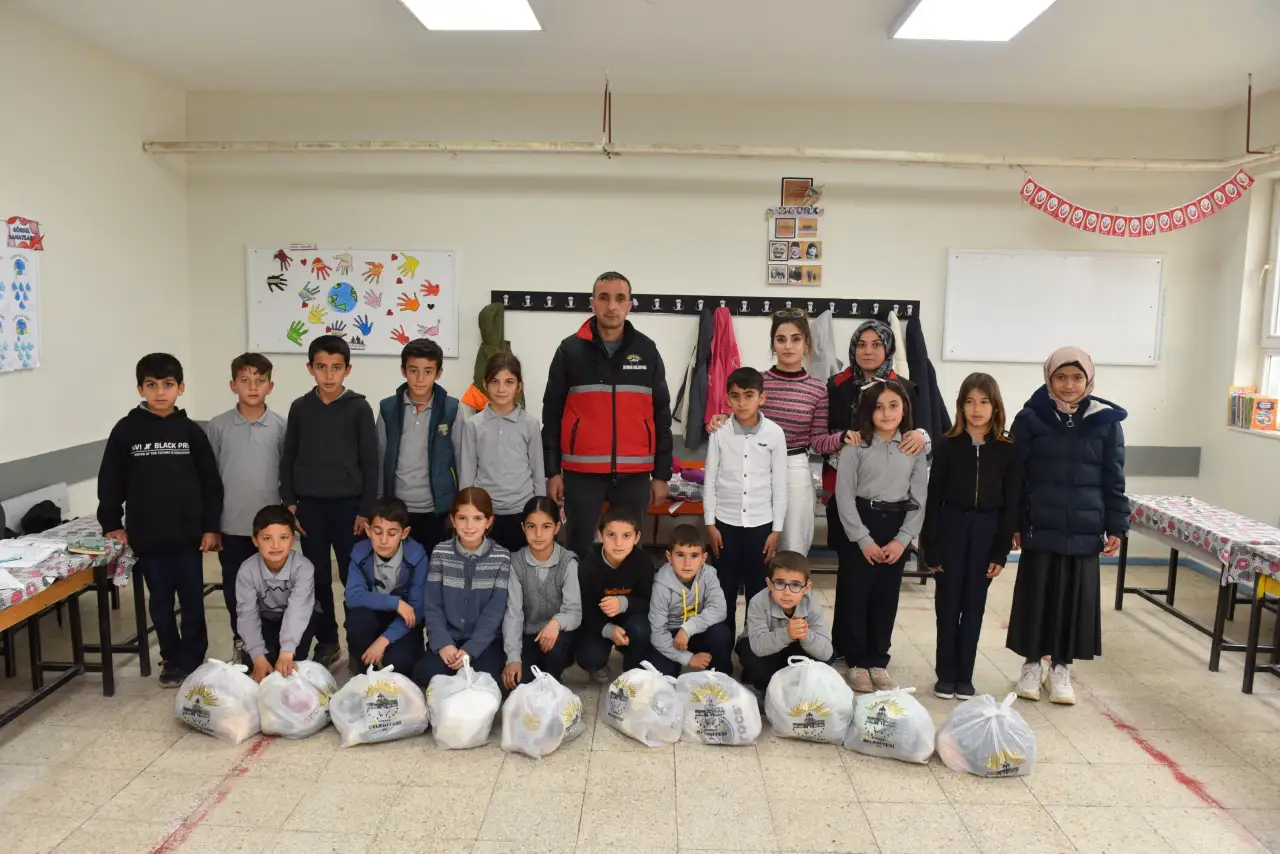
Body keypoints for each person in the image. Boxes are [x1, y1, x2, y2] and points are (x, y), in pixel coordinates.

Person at [1006, 347, 1127, 705]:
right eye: (1060, 377)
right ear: (1049, 378)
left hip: (1084, 529)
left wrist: (1116, 526)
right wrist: (1014, 522)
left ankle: (1061, 668)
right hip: (1040, 527)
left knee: (1073, 602)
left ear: (1088, 380)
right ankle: (1031, 666)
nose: (1069, 385)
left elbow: (1114, 479)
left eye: (1076, 377)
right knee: (1036, 598)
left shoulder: (1105, 422)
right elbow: (1016, 477)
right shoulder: (1030, 418)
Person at [97, 353, 223, 687]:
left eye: (167, 385)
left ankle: (193, 658)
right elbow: (110, 481)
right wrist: (112, 523)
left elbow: (210, 483)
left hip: (188, 536)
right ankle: (171, 657)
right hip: (148, 537)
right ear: (140, 388)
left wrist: (211, 527)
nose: (160, 392)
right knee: (161, 603)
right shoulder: (126, 431)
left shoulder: (191, 431)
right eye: (151, 385)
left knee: (193, 600)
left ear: (181, 388)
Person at [543, 272, 673, 560]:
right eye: (604, 297)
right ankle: (579, 593)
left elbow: (662, 416)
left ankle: (627, 593)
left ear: (629, 305)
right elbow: (551, 414)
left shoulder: (647, 350)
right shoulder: (569, 350)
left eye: (619, 298)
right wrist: (552, 472)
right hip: (581, 474)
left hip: (634, 475)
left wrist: (661, 475)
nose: (612, 306)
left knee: (627, 552)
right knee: (578, 549)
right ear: (592, 303)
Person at [825, 320, 928, 662]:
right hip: (851, 501)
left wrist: (923, 437)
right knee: (852, 583)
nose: (868, 351)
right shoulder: (837, 385)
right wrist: (843, 440)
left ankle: (876, 653)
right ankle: (848, 651)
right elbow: (822, 436)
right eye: (861, 344)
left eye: (876, 344)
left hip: (895, 511)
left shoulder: (905, 389)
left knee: (884, 591)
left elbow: (922, 434)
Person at [708, 310, 849, 555]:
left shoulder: (817, 389)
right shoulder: (758, 382)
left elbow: (817, 442)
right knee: (757, 547)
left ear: (806, 343)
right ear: (773, 343)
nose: (788, 346)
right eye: (781, 339)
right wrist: (723, 419)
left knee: (792, 547)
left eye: (796, 339)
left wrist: (842, 438)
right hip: (755, 467)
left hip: (794, 469)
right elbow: (741, 416)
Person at [281, 334, 379, 666]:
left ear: (347, 370)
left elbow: (371, 463)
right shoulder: (300, 408)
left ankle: (358, 643)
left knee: (355, 578)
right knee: (317, 577)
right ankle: (327, 641)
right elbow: (288, 457)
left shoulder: (359, 408)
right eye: (321, 367)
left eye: (336, 368)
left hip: (350, 510)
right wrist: (290, 502)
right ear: (310, 368)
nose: (328, 375)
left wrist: (366, 510)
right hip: (310, 508)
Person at [922, 374, 1021, 701]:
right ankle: (946, 674)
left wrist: (1000, 551)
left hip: (987, 530)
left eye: (984, 402)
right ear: (960, 406)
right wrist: (931, 548)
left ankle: (965, 675)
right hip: (951, 527)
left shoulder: (1008, 449)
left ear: (996, 407)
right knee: (947, 605)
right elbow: (933, 499)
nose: (976, 409)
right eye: (969, 401)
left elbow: (1011, 505)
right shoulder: (947, 445)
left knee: (974, 606)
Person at [834, 379, 929, 693]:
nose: (887, 413)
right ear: (867, 411)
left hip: (896, 527)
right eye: (878, 407)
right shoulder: (855, 447)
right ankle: (856, 661)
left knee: (886, 597)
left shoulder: (913, 447)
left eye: (893, 406)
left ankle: (878, 660)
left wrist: (903, 539)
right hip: (861, 523)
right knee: (856, 595)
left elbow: (919, 498)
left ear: (905, 409)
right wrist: (863, 539)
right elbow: (844, 496)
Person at [205, 353, 287, 662]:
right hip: (232, 526)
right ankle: (242, 642)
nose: (252, 387)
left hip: (272, 530)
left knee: (274, 588)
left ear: (270, 386)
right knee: (236, 590)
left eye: (260, 380)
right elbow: (209, 479)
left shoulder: (281, 426)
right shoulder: (218, 426)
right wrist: (211, 526)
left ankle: (272, 644)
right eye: (245, 380)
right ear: (233, 385)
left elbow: (287, 475)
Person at [703, 367, 788, 633]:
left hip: (761, 526)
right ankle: (722, 644)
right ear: (728, 399)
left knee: (758, 590)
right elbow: (710, 480)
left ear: (762, 398)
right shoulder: (719, 432)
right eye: (735, 396)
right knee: (723, 589)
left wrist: (776, 530)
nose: (742, 402)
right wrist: (710, 524)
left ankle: (753, 643)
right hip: (724, 525)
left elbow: (779, 484)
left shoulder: (774, 433)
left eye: (749, 395)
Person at [414, 487, 511, 687]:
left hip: (484, 642)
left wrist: (471, 649)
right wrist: (443, 644)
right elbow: (433, 605)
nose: (469, 526)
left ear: (489, 521)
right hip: (448, 638)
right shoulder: (440, 553)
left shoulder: (501, 557)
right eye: (462, 518)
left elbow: (494, 612)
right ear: (452, 519)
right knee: (425, 675)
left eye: (477, 518)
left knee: (487, 681)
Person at [377, 338, 460, 557]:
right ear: (403, 371)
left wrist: (459, 508)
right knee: (401, 567)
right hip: (398, 509)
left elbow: (462, 459)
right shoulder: (388, 408)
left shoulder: (451, 409)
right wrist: (379, 505)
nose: (420, 378)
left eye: (428, 371)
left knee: (435, 567)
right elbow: (380, 459)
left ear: (438, 373)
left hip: (437, 510)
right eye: (413, 370)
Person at [459, 353, 545, 554]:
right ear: (485, 384)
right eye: (494, 382)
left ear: (519, 386)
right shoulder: (473, 425)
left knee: (519, 566)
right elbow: (467, 473)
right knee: (486, 566)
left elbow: (538, 471)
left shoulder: (530, 424)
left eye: (509, 382)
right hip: (484, 513)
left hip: (522, 510)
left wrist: (539, 510)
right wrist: (466, 513)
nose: (501, 389)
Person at [502, 497, 581, 688]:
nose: (538, 534)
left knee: (555, 655)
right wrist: (513, 657)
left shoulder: (568, 562)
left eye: (546, 526)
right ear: (523, 528)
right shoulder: (515, 563)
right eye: (532, 526)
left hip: (558, 635)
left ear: (557, 527)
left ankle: (554, 681)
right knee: (516, 685)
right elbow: (513, 613)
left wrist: (556, 623)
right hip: (529, 636)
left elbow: (574, 613)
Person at [343, 497, 427, 677]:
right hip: (374, 615)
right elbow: (352, 596)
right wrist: (395, 603)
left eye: (392, 533)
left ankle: (390, 652)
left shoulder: (417, 557)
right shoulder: (360, 553)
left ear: (404, 533)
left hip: (403, 622)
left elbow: (417, 611)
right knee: (357, 621)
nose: (383, 540)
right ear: (368, 530)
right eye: (377, 532)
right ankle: (362, 666)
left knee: (399, 663)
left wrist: (384, 640)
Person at [236, 505, 321, 682]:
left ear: (293, 539)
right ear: (255, 540)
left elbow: (298, 610)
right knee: (260, 665)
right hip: (266, 619)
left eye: (283, 537)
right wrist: (258, 656)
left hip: (299, 619)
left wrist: (287, 652)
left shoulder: (303, 568)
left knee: (289, 666)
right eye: (267, 538)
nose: (275, 545)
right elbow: (247, 614)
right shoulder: (246, 570)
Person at [575, 504, 655, 681]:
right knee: (589, 657)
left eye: (626, 536)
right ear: (600, 535)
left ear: (637, 538)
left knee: (641, 629)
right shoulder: (587, 567)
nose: (619, 544)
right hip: (599, 623)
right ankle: (598, 663)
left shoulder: (643, 563)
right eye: (611, 535)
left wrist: (624, 603)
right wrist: (608, 630)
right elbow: (584, 609)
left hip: (631, 620)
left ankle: (632, 670)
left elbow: (648, 602)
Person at [737, 551, 833, 692]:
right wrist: (787, 634)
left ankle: (788, 679)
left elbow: (826, 652)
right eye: (780, 583)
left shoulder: (810, 603)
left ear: (806, 588)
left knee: (826, 659)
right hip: (762, 647)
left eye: (795, 585)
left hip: (793, 647)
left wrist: (805, 635)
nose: (787, 592)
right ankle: (766, 682)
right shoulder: (758, 602)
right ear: (769, 584)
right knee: (752, 659)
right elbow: (758, 646)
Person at [648, 525, 732, 677]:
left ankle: (720, 677)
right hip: (671, 635)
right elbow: (657, 633)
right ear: (669, 557)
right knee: (662, 675)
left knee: (721, 633)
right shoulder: (661, 584)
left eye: (694, 556)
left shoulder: (709, 574)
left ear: (703, 558)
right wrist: (688, 658)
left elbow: (719, 609)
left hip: (697, 630)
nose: (687, 563)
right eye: (680, 555)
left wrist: (688, 629)